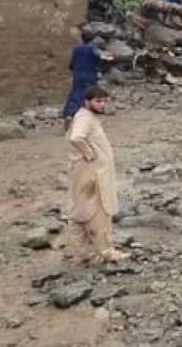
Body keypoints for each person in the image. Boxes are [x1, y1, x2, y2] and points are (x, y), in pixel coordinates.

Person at [66, 85, 127, 264]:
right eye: (98, 101)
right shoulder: (85, 119)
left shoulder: (84, 117)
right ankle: (106, 251)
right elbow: (76, 137)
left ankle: (82, 252)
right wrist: (89, 153)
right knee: (98, 211)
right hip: (93, 174)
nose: (102, 105)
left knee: (80, 211)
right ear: (87, 102)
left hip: (83, 172)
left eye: (104, 101)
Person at [63, 31, 101, 126]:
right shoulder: (93, 49)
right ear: (92, 40)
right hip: (90, 75)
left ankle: (69, 114)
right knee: (91, 96)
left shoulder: (76, 49)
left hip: (78, 76)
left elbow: (71, 65)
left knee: (75, 95)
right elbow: (99, 59)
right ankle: (88, 118)